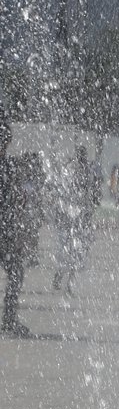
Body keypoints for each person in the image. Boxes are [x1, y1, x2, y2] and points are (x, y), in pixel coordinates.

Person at [0, 122, 36, 337]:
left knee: (16, 273)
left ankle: (9, 319)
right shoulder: (10, 167)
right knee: (16, 273)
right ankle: (9, 319)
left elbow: (18, 202)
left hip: (6, 231)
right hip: (6, 230)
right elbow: (18, 202)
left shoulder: (10, 166)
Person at [53, 146, 97, 295]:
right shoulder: (72, 170)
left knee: (74, 252)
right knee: (69, 251)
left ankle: (69, 283)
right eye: (81, 156)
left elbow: (91, 195)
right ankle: (61, 275)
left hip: (78, 218)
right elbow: (62, 194)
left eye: (83, 156)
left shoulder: (85, 172)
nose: (82, 159)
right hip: (71, 217)